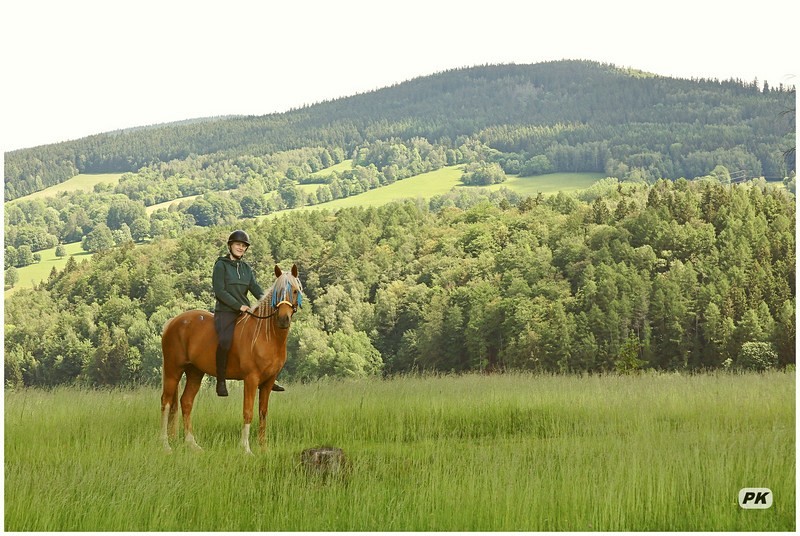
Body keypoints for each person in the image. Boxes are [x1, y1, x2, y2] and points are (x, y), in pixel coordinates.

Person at [212, 229, 285, 396]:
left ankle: (268, 376)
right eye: (238, 244)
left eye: (244, 246)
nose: (241, 248)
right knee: (224, 340)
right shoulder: (220, 265)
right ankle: (221, 380)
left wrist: (271, 303)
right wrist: (239, 306)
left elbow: (256, 289)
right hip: (226, 311)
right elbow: (220, 291)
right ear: (230, 245)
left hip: (245, 312)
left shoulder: (246, 268)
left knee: (264, 338)